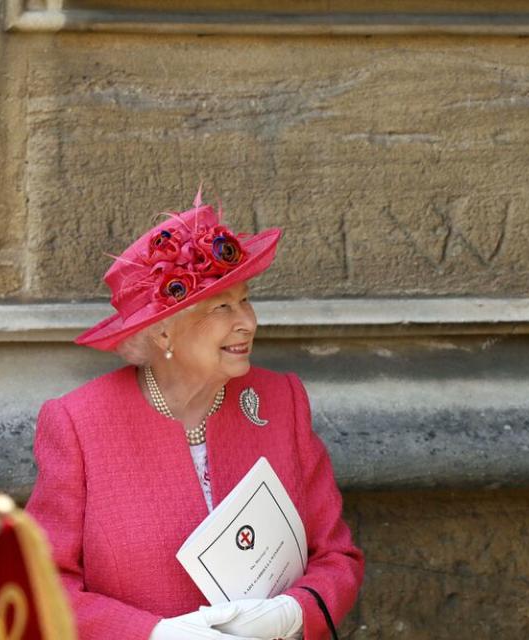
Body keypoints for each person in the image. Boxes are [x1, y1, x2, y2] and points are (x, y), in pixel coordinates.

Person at [26, 193, 364, 640]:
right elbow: (43, 589)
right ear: (164, 330)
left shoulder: (281, 400)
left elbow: (338, 557)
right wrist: (154, 635)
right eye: (221, 307)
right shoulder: (78, 424)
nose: (247, 321)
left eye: (245, 300)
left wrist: (291, 612)